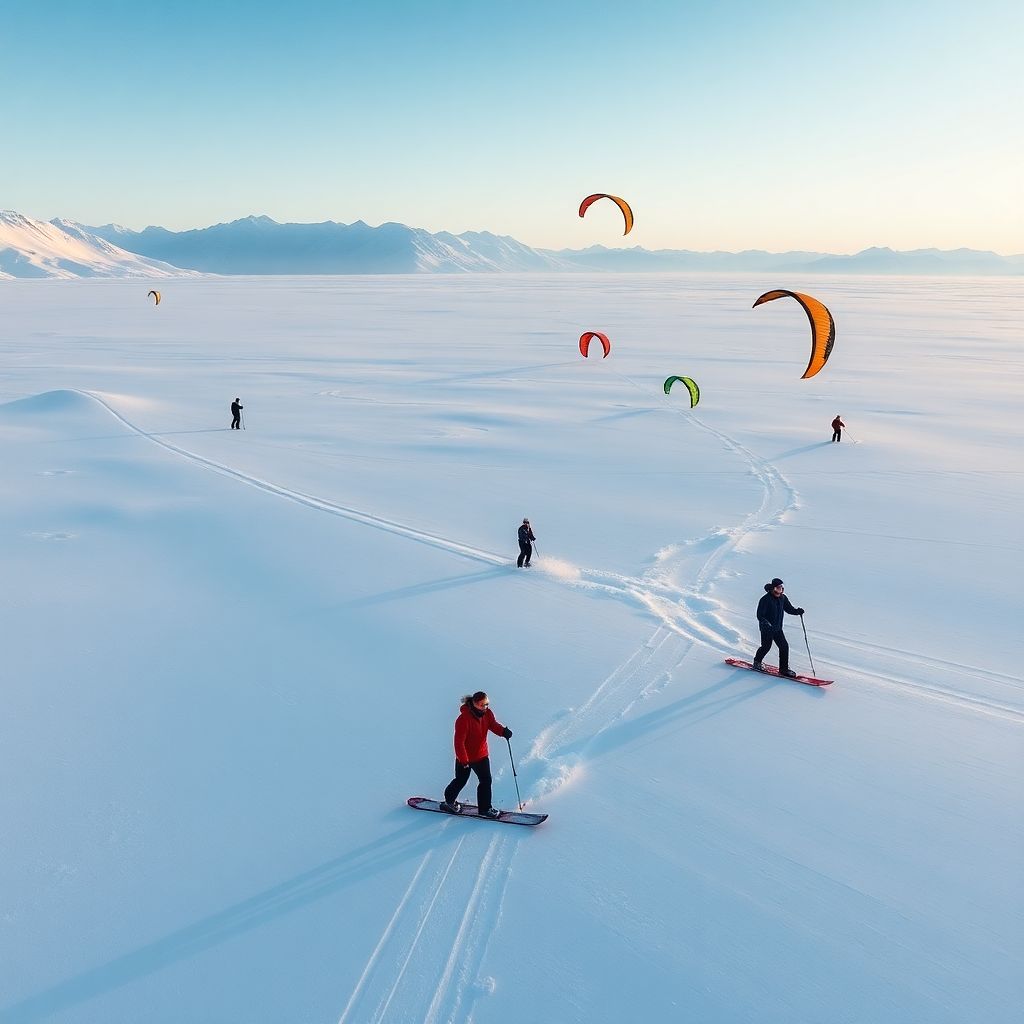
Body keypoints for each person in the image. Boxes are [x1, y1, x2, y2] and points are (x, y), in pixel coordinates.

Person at [440, 691, 513, 818]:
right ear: (474, 704)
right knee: (461, 780)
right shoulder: (463, 719)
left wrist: (503, 731)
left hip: (481, 755)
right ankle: (448, 802)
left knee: (486, 780)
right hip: (465, 758)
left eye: (487, 704)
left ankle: (485, 809)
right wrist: (463, 760)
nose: (485, 707)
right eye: (482, 705)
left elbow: (493, 725)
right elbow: (459, 742)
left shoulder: (487, 714)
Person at [752, 578, 804, 677]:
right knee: (766, 647)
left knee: (784, 646)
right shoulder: (765, 599)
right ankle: (757, 662)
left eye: (781, 588)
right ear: (773, 588)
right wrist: (766, 623)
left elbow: (789, 609)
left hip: (777, 628)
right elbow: (760, 615)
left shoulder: (782, 598)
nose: (780, 590)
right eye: (778, 588)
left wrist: (797, 611)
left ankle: (783, 669)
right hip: (767, 629)